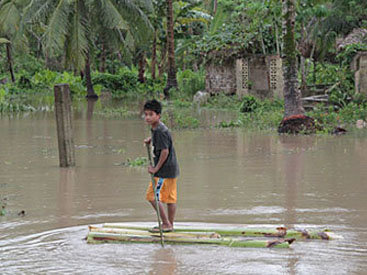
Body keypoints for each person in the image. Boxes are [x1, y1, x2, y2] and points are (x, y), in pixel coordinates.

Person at [143, 99, 180, 232]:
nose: (147, 117)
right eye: (146, 114)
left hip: (163, 171)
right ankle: (170, 225)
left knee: (152, 196)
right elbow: (161, 141)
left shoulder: (160, 131)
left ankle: (166, 223)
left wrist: (155, 168)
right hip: (172, 169)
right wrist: (151, 139)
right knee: (170, 199)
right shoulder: (157, 128)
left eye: (151, 114)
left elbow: (165, 151)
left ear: (158, 115)